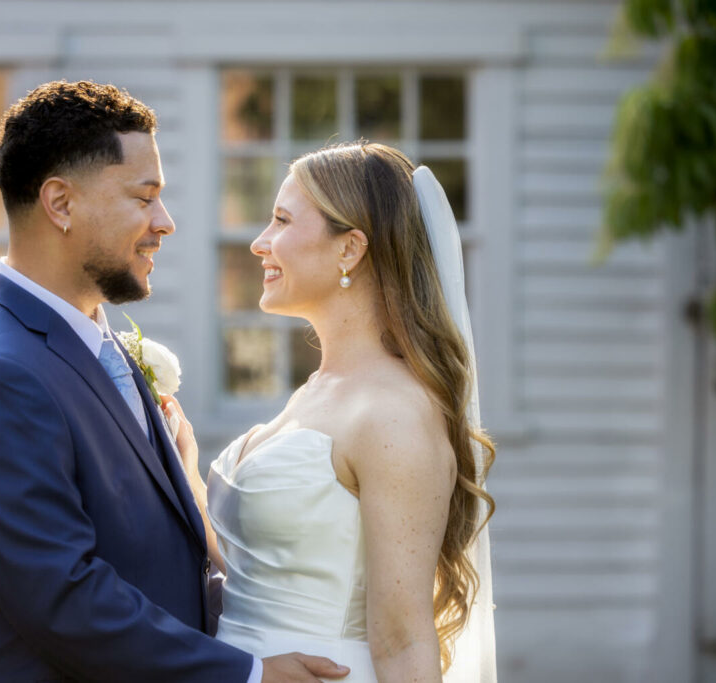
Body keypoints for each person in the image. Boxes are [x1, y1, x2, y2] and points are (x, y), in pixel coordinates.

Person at [0, 80, 349, 682]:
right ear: (60, 204)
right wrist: (248, 674)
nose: (164, 223)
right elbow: (63, 600)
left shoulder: (96, 343)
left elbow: (160, 559)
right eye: (144, 198)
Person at [166, 142, 496, 681]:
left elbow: (403, 639)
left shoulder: (393, 414)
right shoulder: (317, 390)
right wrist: (187, 473)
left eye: (280, 220)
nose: (258, 243)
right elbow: (269, 572)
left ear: (350, 249)